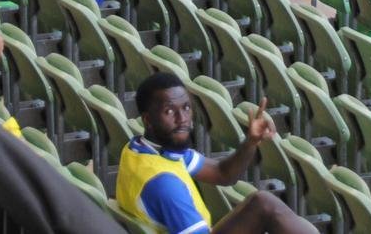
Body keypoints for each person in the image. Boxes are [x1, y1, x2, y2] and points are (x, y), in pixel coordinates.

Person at [118, 72, 314, 234]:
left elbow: (223, 174)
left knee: (262, 202)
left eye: (186, 108)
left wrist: (251, 141)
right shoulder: (165, 184)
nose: (183, 119)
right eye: (170, 112)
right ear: (148, 120)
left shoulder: (141, 149)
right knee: (268, 208)